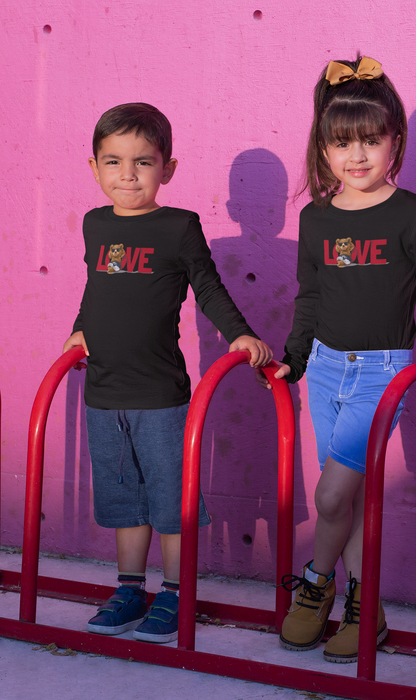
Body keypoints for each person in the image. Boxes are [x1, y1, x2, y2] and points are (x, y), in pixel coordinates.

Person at [257, 56, 416, 663]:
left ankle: (315, 584)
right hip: (324, 368)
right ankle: (364, 606)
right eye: (342, 142)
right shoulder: (316, 217)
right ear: (322, 148)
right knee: (348, 496)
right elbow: (311, 296)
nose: (357, 155)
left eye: (371, 140)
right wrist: (295, 357)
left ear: (395, 140)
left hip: (381, 373)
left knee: (329, 497)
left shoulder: (411, 214)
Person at [63, 103, 272, 643]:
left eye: (143, 162)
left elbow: (208, 287)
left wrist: (240, 333)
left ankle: (177, 594)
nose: (128, 174)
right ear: (95, 168)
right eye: (114, 161)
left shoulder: (178, 227)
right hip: (103, 392)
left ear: (167, 168)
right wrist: (80, 327)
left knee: (170, 501)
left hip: (159, 395)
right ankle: (130, 589)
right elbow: (96, 287)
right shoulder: (95, 224)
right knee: (125, 500)